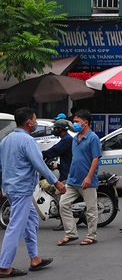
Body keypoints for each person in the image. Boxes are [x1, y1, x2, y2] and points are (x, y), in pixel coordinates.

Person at [0, 107, 66, 276]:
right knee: (15, 227)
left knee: (31, 220)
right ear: (29, 122)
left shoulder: (6, 140)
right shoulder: (27, 141)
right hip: (21, 189)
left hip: (13, 189)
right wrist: (56, 182)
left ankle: (34, 258)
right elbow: (40, 165)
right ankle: (4, 266)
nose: (36, 122)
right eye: (35, 119)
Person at [57, 109, 102, 247]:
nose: (74, 124)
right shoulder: (75, 139)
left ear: (85, 122)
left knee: (91, 209)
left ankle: (91, 235)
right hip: (72, 180)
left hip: (87, 181)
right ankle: (71, 233)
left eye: (77, 121)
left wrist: (89, 177)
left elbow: (96, 159)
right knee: (63, 204)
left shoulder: (93, 138)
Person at [41, 119, 74, 231]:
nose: (54, 130)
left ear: (61, 129)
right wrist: (58, 166)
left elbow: (55, 151)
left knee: (59, 195)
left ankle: (64, 222)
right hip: (66, 170)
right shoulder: (66, 139)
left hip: (68, 174)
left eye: (56, 128)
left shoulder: (67, 139)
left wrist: (39, 154)